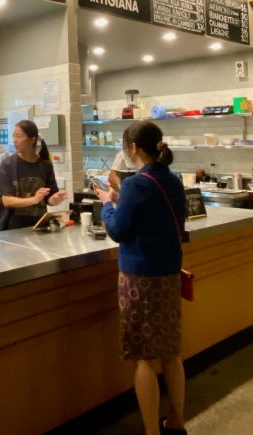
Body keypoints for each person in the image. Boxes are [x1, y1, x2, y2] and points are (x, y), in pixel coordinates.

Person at [94, 120, 187, 435]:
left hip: (140, 281)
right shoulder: (172, 180)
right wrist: (120, 197)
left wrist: (107, 204)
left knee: (145, 360)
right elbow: (154, 216)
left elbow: (118, 230)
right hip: (168, 274)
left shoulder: (137, 184)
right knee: (171, 353)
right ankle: (176, 422)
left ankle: (151, 430)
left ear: (133, 148)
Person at [0, 120, 68, 230]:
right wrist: (33, 199)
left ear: (32, 140)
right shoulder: (7, 164)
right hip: (12, 230)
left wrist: (54, 200)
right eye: (13, 136)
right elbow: (7, 201)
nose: (14, 140)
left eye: (19, 136)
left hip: (39, 227)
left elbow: (48, 199)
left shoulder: (45, 165)